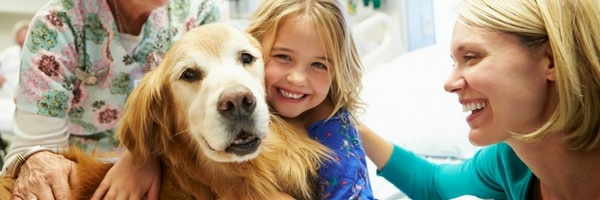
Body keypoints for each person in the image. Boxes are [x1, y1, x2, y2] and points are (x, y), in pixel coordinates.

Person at [359, 0, 600, 199]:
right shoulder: (509, 162)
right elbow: (434, 185)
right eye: (455, 63)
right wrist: (355, 127)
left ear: (552, 60)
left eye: (472, 57)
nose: (449, 83)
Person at [0, 0, 223, 199]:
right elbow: (38, 147)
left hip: (175, 168)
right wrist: (40, 159)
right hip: (83, 179)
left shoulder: (201, 12)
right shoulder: (59, 23)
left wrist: (144, 155)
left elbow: (217, 124)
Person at [247, 0, 373, 199]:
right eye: (283, 57)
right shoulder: (243, 108)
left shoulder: (333, 132)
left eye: (318, 64)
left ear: (336, 73)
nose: (297, 79)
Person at [0, 20, 29, 99]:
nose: (22, 46)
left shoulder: (38, 57)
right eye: (20, 43)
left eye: (24, 43)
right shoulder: (6, 55)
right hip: (8, 100)